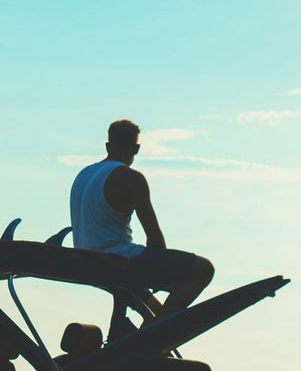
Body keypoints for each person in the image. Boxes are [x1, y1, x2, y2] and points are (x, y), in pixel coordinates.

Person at [68, 118, 214, 314]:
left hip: (85, 260)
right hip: (117, 260)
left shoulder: (84, 174)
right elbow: (155, 240)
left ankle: (134, 331)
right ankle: (157, 332)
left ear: (107, 145)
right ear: (136, 149)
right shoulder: (131, 178)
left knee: (153, 307)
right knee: (203, 270)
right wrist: (164, 277)